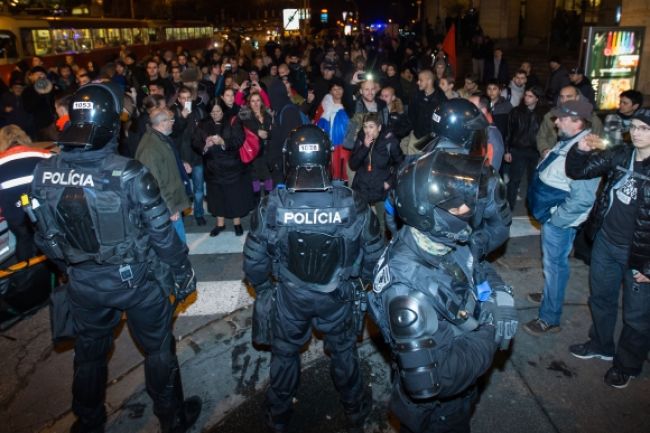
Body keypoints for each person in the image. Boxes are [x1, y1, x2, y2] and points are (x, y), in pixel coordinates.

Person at [29, 83, 201, 433]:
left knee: (89, 355)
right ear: (112, 125)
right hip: (136, 280)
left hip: (84, 282)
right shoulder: (129, 174)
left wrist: (71, 269)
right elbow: (163, 236)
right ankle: (172, 419)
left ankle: (89, 422)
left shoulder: (44, 172)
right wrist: (182, 271)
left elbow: (45, 238)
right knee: (158, 350)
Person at [242, 125, 384, 433]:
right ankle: (355, 412)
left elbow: (253, 260)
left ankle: (278, 416)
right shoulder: (351, 202)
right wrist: (362, 283)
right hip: (338, 296)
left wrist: (266, 288)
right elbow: (375, 251)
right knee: (344, 353)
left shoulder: (273, 205)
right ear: (326, 157)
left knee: (284, 354)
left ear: (289, 158)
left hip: (291, 296)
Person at [368, 148, 515, 433]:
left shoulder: (440, 237)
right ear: (427, 213)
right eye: (455, 204)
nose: (466, 208)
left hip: (463, 377)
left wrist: (500, 295)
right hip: (438, 414)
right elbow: (436, 379)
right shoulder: (407, 294)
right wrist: (491, 328)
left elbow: (476, 266)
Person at [565, 109, 650, 388]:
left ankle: (627, 365)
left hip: (640, 255)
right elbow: (577, 171)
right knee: (601, 298)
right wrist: (580, 148)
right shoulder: (620, 154)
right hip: (605, 243)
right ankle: (601, 344)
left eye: (644, 128)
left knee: (636, 316)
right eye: (634, 126)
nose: (636, 132)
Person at [524, 99, 600, 335]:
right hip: (553, 215)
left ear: (577, 122)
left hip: (560, 221)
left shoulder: (585, 150)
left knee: (555, 266)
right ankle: (550, 294)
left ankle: (549, 317)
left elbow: (583, 198)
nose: (555, 122)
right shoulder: (572, 141)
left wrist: (556, 220)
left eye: (561, 118)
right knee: (552, 264)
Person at [192, 103, 254, 237]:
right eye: (213, 112)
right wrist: (205, 145)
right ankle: (220, 224)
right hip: (213, 167)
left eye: (218, 111)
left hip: (232, 166)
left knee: (234, 196)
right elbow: (195, 142)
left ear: (223, 110)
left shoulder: (232, 120)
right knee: (216, 197)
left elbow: (239, 140)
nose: (215, 115)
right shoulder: (203, 124)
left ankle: (237, 223)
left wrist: (223, 142)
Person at [136, 108, 192, 243]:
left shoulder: (159, 138)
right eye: (171, 120)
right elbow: (156, 182)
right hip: (166, 205)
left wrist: (180, 164)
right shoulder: (150, 148)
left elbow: (165, 162)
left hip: (170, 200)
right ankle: (181, 263)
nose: (173, 123)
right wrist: (171, 209)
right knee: (177, 241)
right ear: (162, 122)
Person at [0, 125, 52, 261]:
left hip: (16, 216)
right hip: (44, 212)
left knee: (23, 240)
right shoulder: (44, 154)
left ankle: (26, 274)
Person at [349, 112, 404, 236]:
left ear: (379, 127)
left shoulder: (389, 140)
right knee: (361, 221)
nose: (367, 130)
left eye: (371, 126)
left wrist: (389, 182)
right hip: (362, 186)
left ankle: (385, 250)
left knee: (384, 224)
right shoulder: (361, 137)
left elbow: (401, 164)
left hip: (381, 188)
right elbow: (353, 165)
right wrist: (364, 147)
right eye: (365, 126)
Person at [504, 86, 547, 210]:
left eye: (530, 96)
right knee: (514, 181)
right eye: (526, 95)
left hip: (535, 151)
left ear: (537, 99)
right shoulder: (516, 112)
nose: (526, 98)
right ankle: (508, 207)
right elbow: (508, 132)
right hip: (518, 150)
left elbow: (548, 133)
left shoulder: (543, 113)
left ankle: (531, 207)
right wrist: (507, 150)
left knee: (533, 180)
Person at [536, 85, 604, 157]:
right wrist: (544, 150)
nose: (564, 100)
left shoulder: (592, 119)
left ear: (577, 98)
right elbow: (541, 136)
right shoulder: (550, 116)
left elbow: (598, 146)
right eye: (562, 97)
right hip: (551, 159)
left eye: (569, 97)